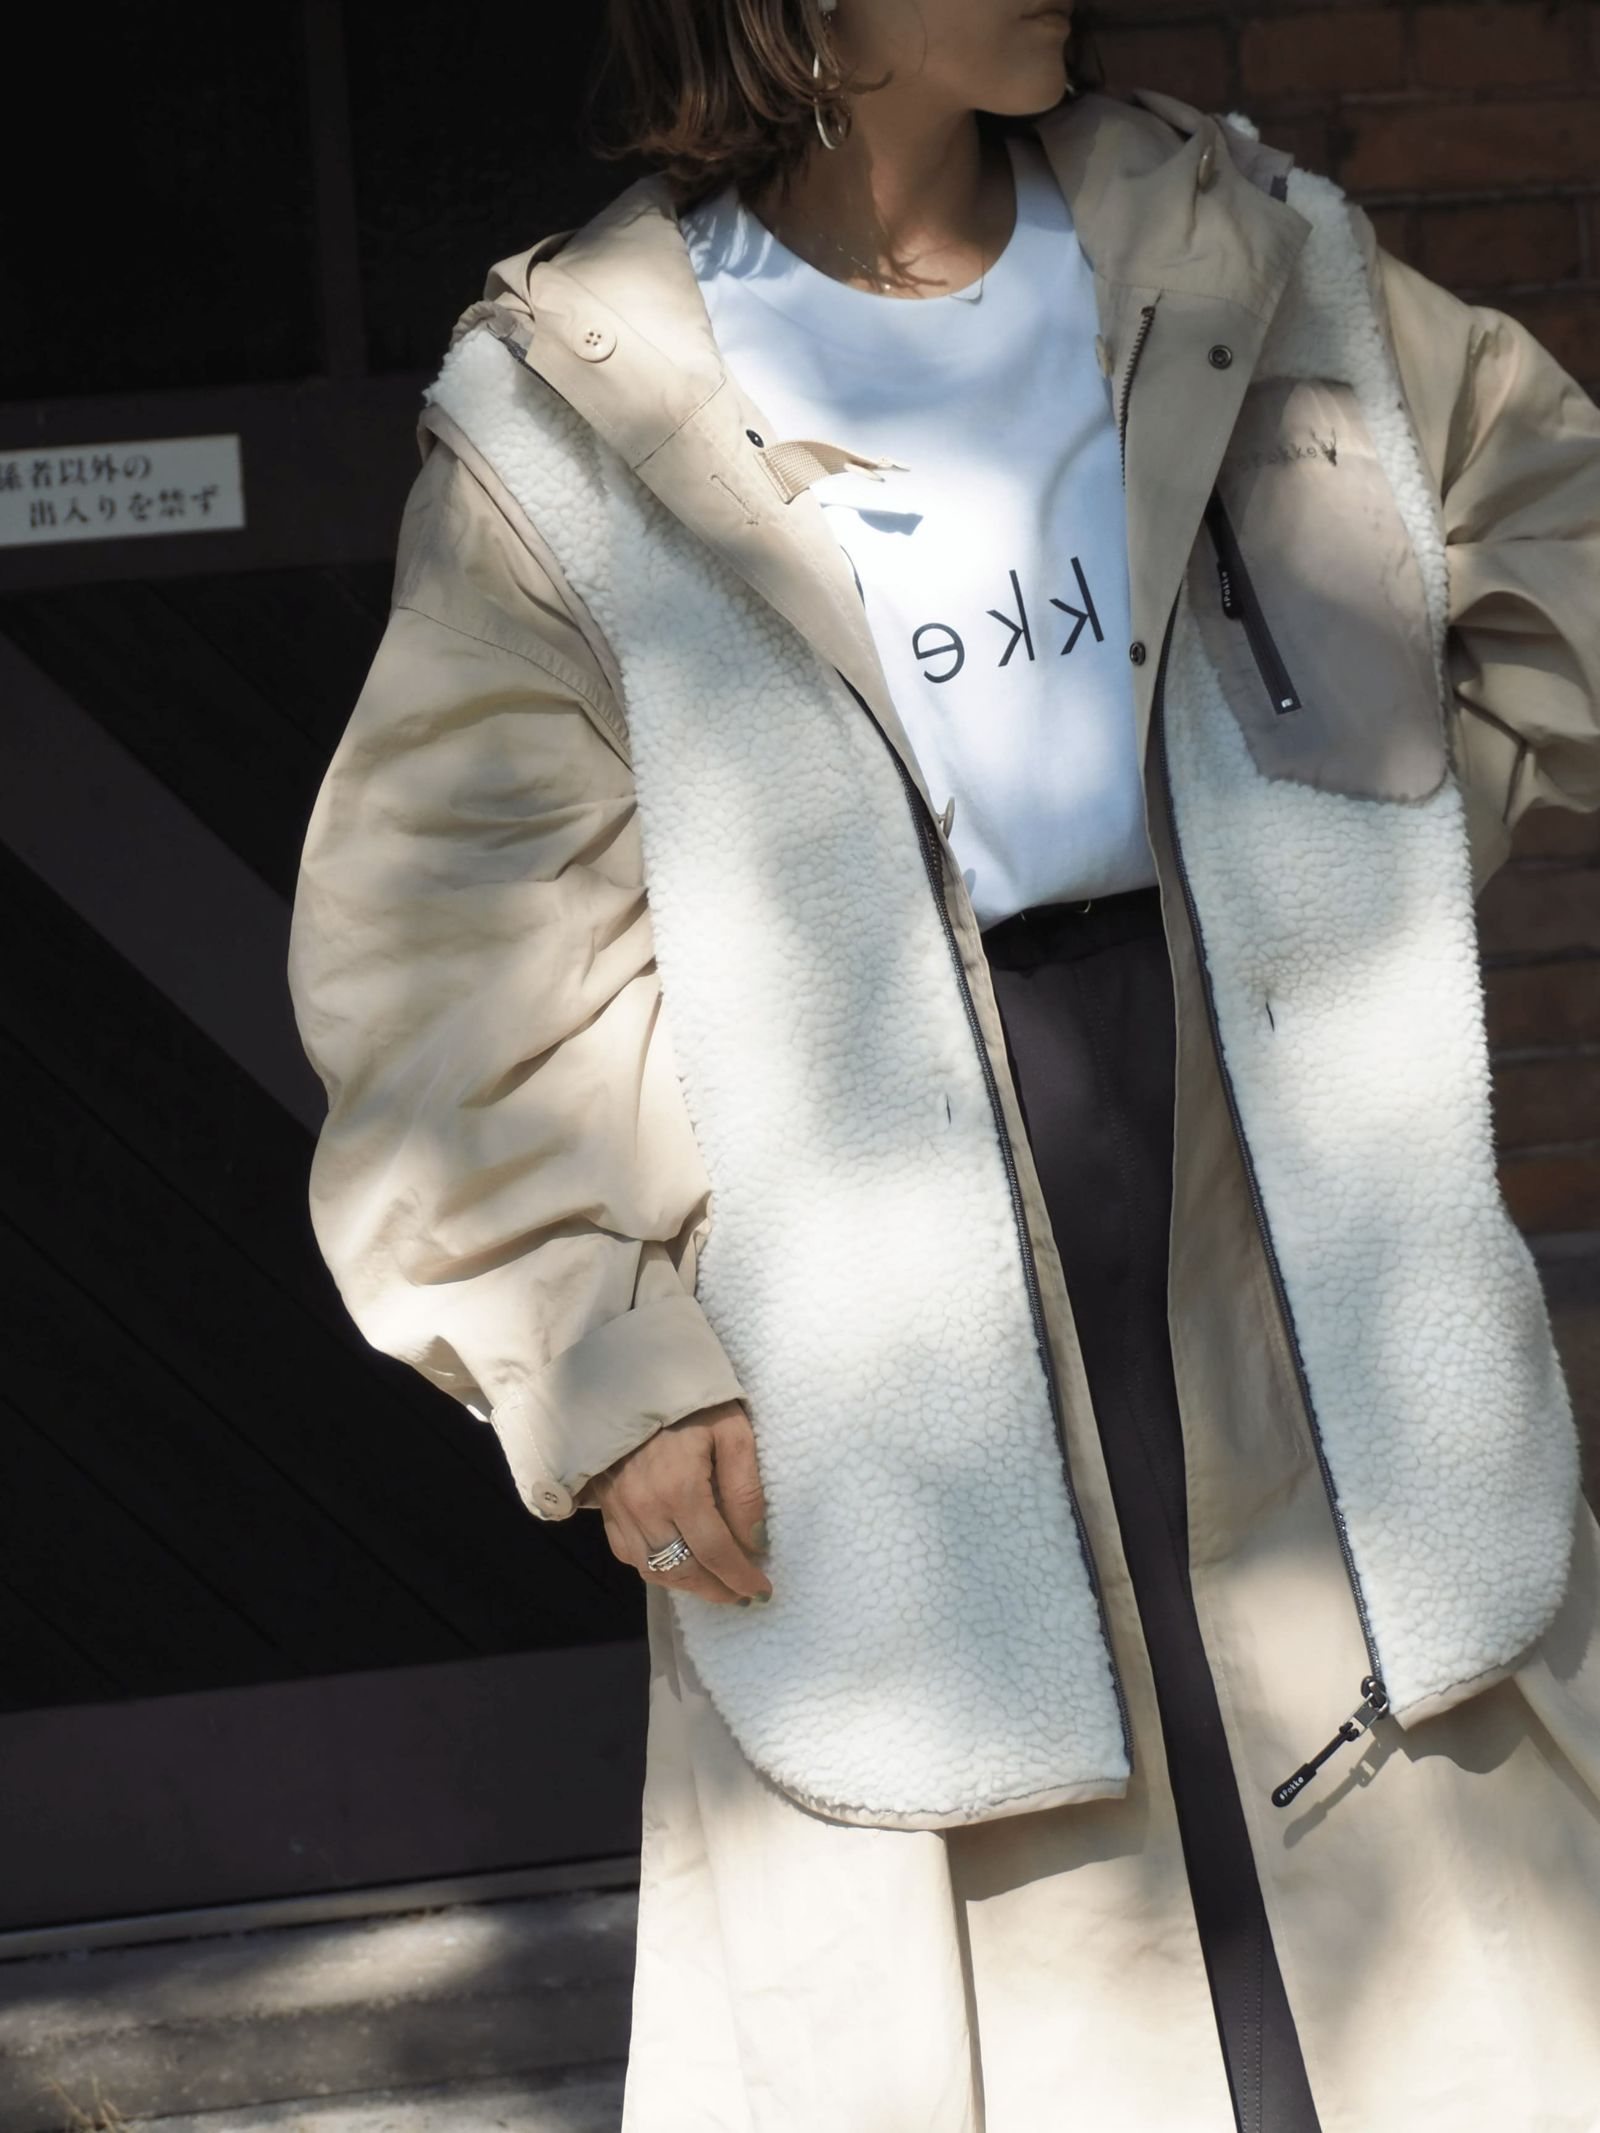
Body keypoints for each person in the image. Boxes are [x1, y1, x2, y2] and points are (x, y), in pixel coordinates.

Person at [286, 2, 1600, 2126]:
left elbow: (1553, 545)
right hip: (863, 1241)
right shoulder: (577, 405)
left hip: (1264, 1162)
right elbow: (446, 933)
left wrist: (1373, 856)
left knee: (1404, 1829)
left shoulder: (1245, 256)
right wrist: (600, 1341)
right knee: (995, 1906)